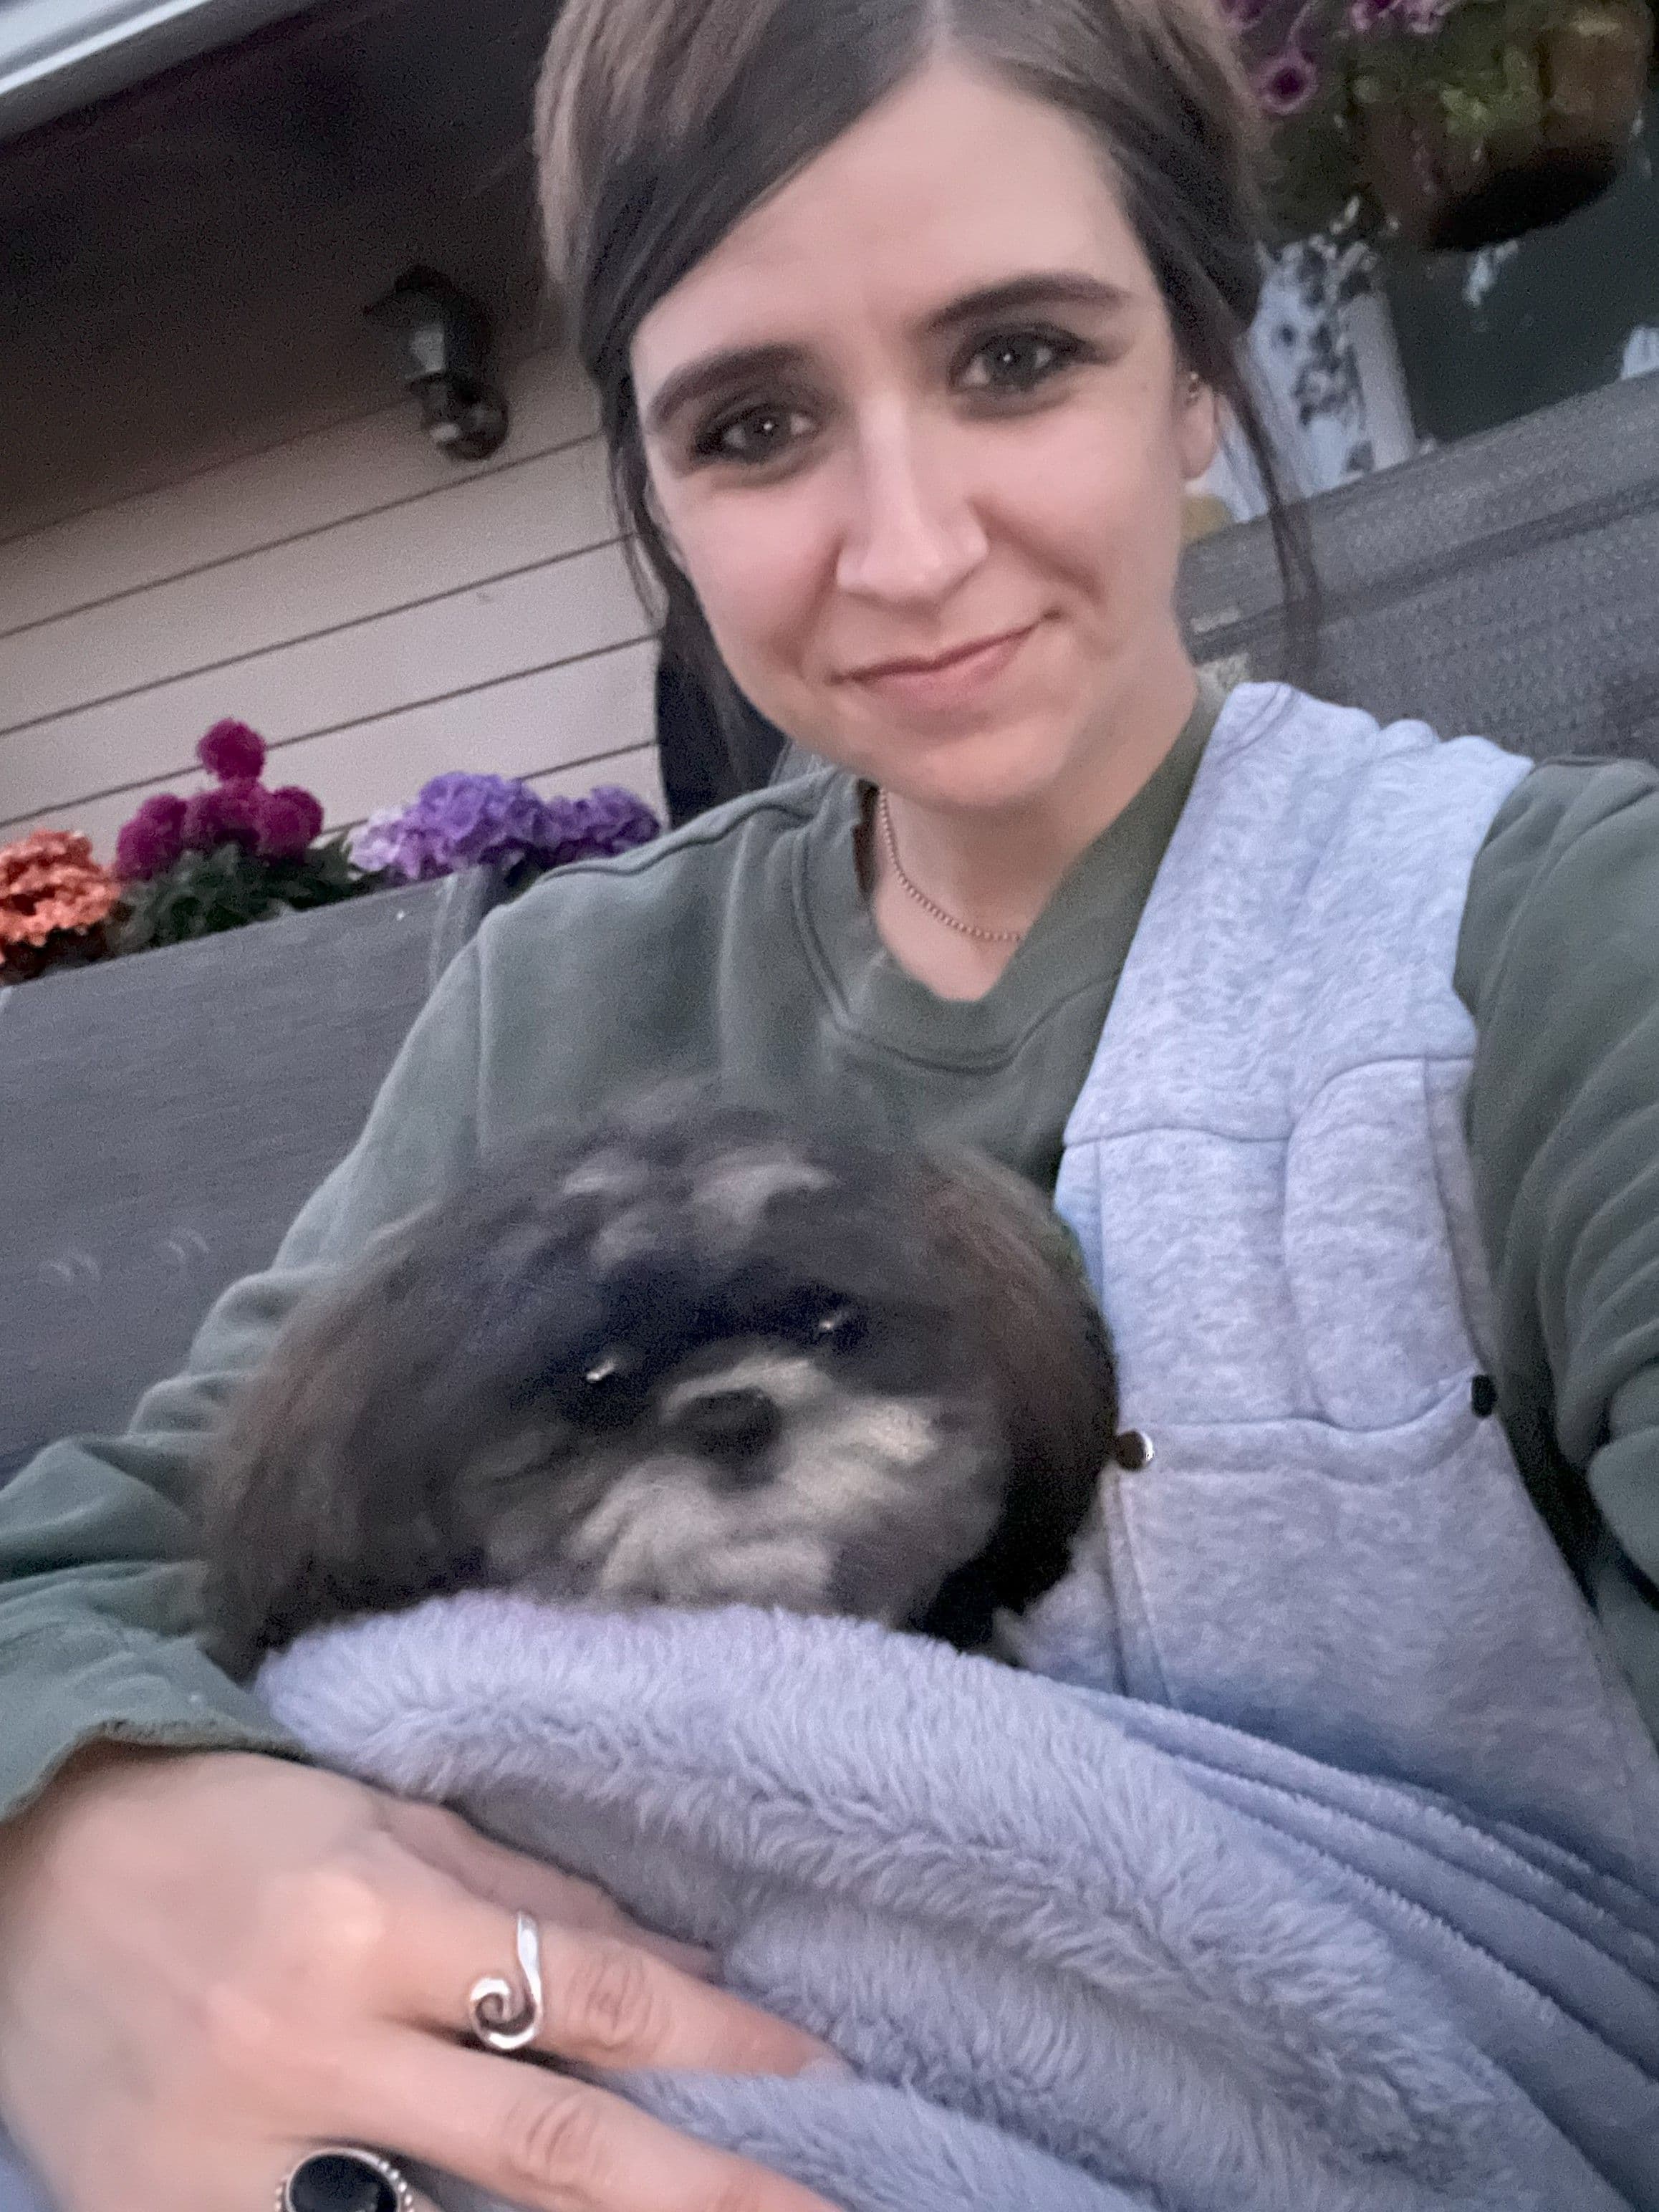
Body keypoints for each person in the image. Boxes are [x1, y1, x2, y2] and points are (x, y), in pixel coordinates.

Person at [2, 0, 1658, 2205]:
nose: (903, 547)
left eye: (1012, 359)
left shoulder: (1553, 949)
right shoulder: (560, 1004)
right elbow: (101, 1557)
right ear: (660, 497)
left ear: (1192, 372)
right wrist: (101, 1829)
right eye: (757, 423)